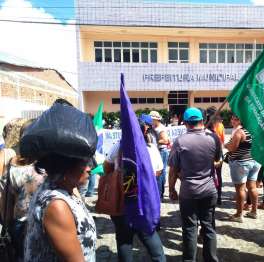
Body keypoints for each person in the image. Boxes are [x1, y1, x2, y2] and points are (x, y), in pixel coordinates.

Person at [24, 104, 97, 261]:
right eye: (84, 163)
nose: (90, 168)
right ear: (65, 166)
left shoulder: (65, 189)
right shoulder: (57, 206)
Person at [102, 120, 166, 262]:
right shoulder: (150, 149)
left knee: (124, 241)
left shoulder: (118, 146)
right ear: (143, 131)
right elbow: (158, 171)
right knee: (152, 241)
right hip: (143, 204)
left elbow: (106, 166)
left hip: (122, 202)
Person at [168, 107, 221, 262]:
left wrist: (171, 189)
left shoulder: (180, 141)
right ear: (201, 121)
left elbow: (173, 170)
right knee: (209, 227)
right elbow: (218, 161)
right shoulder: (213, 138)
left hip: (188, 191)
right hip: (209, 189)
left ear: (185, 123)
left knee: (190, 228)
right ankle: (211, 259)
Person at [2, 119, 45, 260]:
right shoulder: (50, 166)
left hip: (20, 225)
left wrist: (7, 224)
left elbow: (5, 202)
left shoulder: (12, 167)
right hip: (42, 224)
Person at [224, 114, 261, 222]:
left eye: (237, 119)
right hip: (254, 161)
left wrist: (226, 145)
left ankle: (238, 215)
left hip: (241, 162)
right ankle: (254, 211)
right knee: (252, 187)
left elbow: (232, 148)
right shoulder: (255, 131)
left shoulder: (240, 132)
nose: (234, 121)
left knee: (240, 189)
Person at [205, 107, 225, 205]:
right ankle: (219, 197)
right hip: (219, 151)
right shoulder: (220, 125)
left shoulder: (206, 126)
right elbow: (222, 140)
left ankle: (212, 196)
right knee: (218, 175)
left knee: (210, 175)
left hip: (209, 152)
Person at [149, 111, 170, 200]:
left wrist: (153, 140)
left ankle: (160, 194)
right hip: (159, 150)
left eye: (152, 119)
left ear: (156, 119)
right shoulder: (155, 127)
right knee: (160, 171)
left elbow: (165, 141)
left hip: (162, 151)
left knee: (160, 172)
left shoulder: (160, 128)